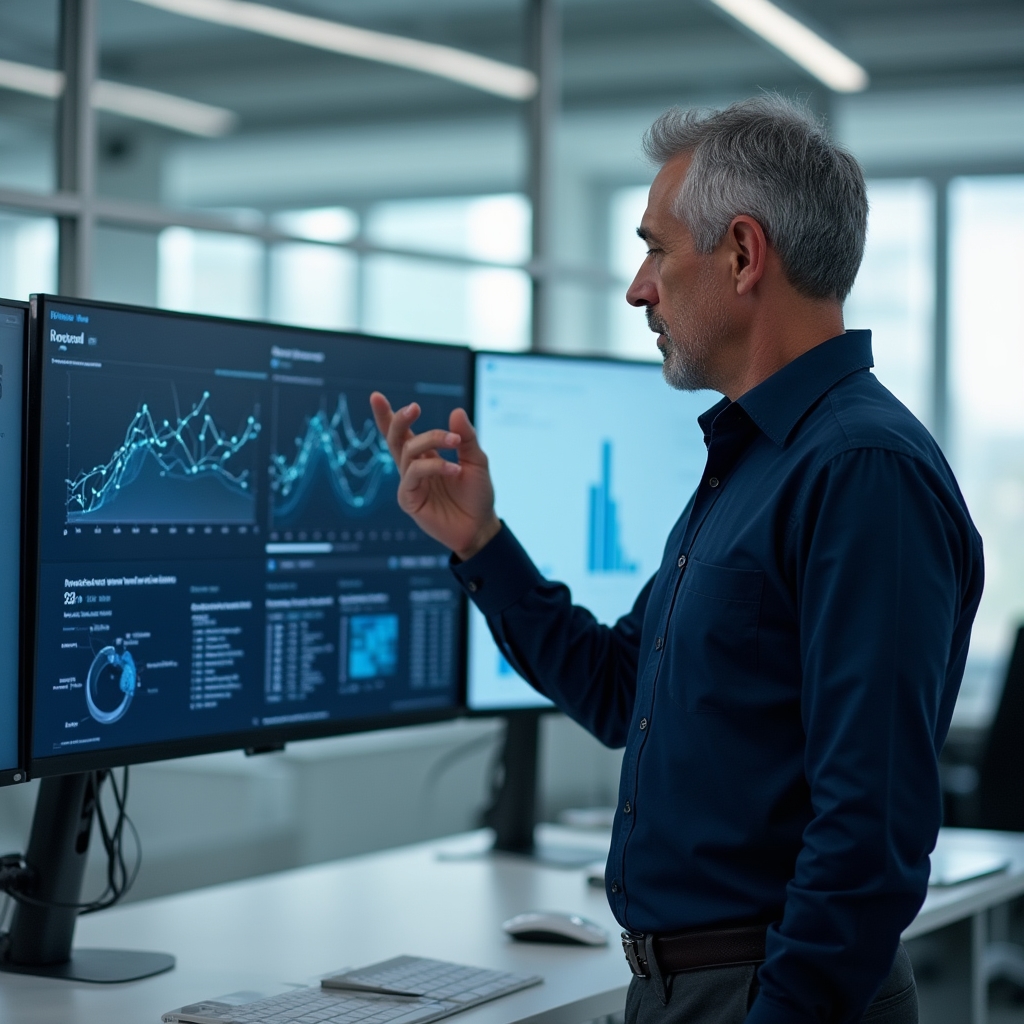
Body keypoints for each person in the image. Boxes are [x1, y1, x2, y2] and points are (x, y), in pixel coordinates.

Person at [369, 96, 984, 1024]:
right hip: (688, 989)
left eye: (656, 248)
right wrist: (481, 548)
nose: (638, 286)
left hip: (768, 993)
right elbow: (624, 688)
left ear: (742, 254)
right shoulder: (755, 466)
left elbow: (870, 833)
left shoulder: (861, 472)